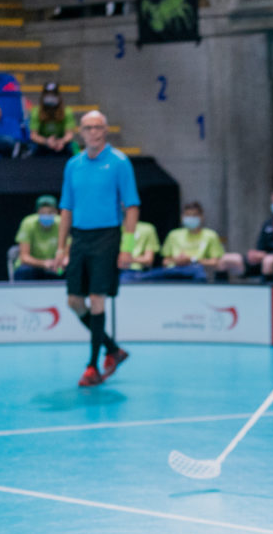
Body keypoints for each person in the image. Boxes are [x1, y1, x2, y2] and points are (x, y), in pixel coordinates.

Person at [55, 111, 136, 387]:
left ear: (105, 130)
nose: (93, 132)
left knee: (97, 298)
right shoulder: (73, 165)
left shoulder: (119, 163)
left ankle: (92, 367)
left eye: (98, 127)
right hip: (80, 238)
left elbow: (132, 206)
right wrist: (60, 246)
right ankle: (112, 349)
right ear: (81, 132)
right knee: (74, 302)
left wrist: (127, 247)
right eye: (88, 128)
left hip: (107, 237)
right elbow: (66, 207)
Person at [149, 201, 241, 282]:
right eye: (187, 215)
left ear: (201, 217)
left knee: (198, 273)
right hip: (174, 272)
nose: (190, 218)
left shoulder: (210, 235)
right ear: (182, 216)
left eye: (194, 215)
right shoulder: (174, 235)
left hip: (197, 274)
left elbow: (216, 262)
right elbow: (165, 261)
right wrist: (177, 260)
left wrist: (192, 260)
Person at [13, 194, 67, 281]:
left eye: (50, 212)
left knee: (68, 272)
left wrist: (61, 262)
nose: (46, 215)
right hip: (34, 266)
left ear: (56, 212)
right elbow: (24, 257)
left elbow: (67, 255)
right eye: (43, 212)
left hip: (56, 267)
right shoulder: (28, 223)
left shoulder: (62, 223)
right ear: (38, 212)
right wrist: (44, 263)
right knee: (24, 272)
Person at [28, 81, 77, 157]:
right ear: (43, 96)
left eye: (53, 94)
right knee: (32, 148)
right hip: (42, 143)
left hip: (61, 143)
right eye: (48, 94)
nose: (50, 97)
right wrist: (46, 141)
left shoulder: (67, 111)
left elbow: (69, 134)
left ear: (58, 96)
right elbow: (34, 135)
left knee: (72, 147)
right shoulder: (36, 111)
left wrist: (61, 141)